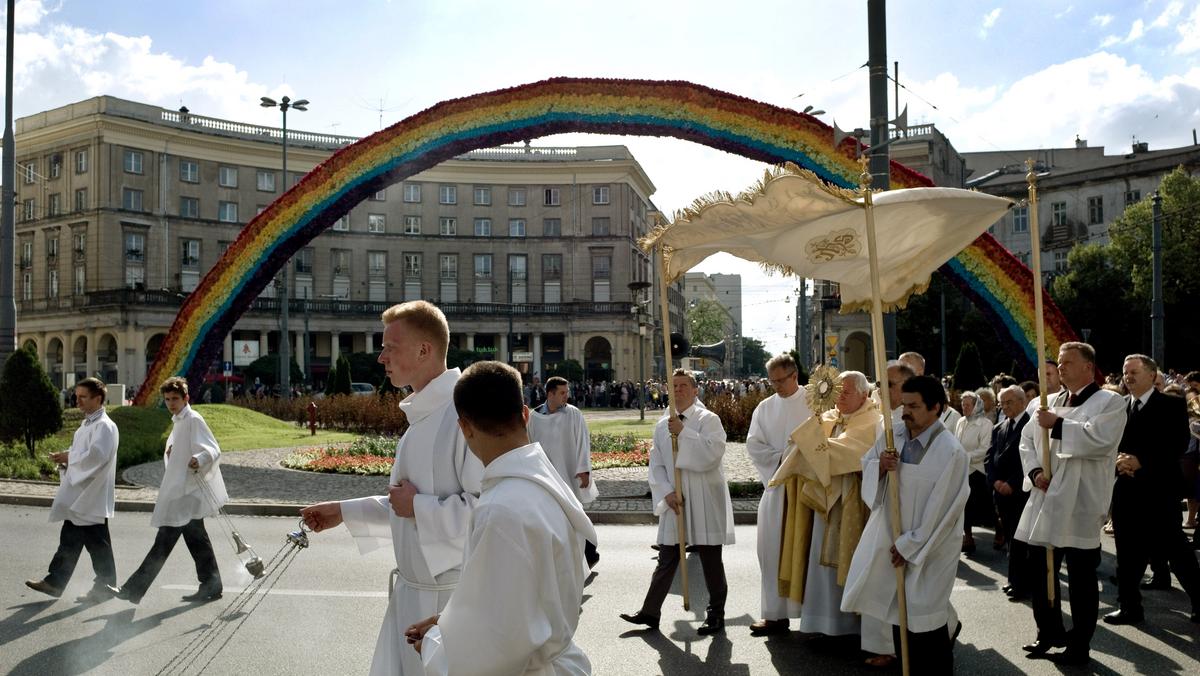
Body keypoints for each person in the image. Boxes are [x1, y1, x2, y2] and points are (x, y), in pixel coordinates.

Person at [300, 301, 483, 676]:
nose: (381, 357)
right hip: (412, 593)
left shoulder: (464, 413)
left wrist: (419, 507)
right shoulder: (422, 414)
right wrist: (343, 510)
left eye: (390, 347)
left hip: (446, 601)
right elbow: (405, 506)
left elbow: (490, 511)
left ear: (424, 350)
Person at [405, 362, 595, 675]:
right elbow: (524, 597)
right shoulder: (547, 483)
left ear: (464, 427)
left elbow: (498, 646)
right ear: (525, 414)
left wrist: (434, 643)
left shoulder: (499, 509)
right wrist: (447, 621)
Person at [841, 375, 970, 676]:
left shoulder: (950, 452)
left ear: (936, 407)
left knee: (926, 622)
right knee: (900, 617)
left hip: (930, 549)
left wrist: (911, 545)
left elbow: (944, 510)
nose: (905, 411)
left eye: (913, 406)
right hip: (893, 540)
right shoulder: (893, 435)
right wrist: (881, 469)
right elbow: (868, 467)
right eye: (904, 405)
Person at [1016, 342, 1127, 666]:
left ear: (1087, 367)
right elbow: (1026, 440)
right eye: (1059, 362)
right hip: (1045, 497)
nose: (1060, 367)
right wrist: (1035, 470)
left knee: (1080, 579)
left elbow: (1102, 440)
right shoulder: (1047, 402)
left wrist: (1060, 425)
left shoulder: (1110, 401)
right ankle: (1047, 632)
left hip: (1080, 500)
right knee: (1040, 571)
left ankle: (1080, 643)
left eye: (1067, 362)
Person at [771, 371, 884, 653]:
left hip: (849, 506)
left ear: (863, 394)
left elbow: (850, 453)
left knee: (842, 564)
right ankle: (822, 624)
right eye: (837, 392)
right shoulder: (830, 416)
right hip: (820, 505)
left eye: (846, 392)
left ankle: (845, 629)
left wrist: (809, 442)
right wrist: (807, 438)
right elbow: (807, 446)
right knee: (817, 563)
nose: (840, 397)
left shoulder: (872, 420)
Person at [620, 369, 734, 635]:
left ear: (695, 391)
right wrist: (666, 492)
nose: (679, 390)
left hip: (704, 496)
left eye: (684, 385)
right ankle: (650, 612)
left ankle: (716, 614)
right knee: (667, 556)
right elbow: (656, 462)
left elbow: (712, 453)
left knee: (710, 558)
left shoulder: (709, 420)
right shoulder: (662, 425)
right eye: (674, 386)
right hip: (675, 498)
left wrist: (684, 432)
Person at [107, 377, 225, 604]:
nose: (171, 403)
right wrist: (173, 454)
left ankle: (133, 590)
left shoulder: (192, 419)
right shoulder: (180, 420)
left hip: (185, 495)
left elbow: (213, 449)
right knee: (197, 540)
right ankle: (212, 584)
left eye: (175, 399)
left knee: (163, 544)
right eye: (168, 399)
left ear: (186, 398)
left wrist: (198, 458)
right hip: (183, 492)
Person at [1105, 354, 1200, 625]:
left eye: (1134, 371)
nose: (1128, 376)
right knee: (1126, 551)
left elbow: (1177, 443)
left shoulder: (1170, 404)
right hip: (1126, 487)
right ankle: (1129, 607)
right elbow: (1109, 442)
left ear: (1151, 374)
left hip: (1159, 489)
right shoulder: (1119, 406)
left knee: (1176, 549)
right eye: (1125, 372)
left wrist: (1142, 461)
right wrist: (1119, 460)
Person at [25, 378, 120, 603]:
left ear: (98, 398)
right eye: (76, 396)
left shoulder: (104, 426)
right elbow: (84, 454)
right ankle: (57, 583)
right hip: (83, 494)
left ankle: (99, 585)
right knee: (73, 539)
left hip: (92, 495)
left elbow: (97, 457)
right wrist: (66, 459)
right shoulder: (87, 424)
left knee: (96, 544)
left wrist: (71, 458)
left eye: (83, 397)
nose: (77, 401)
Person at [744, 354, 812, 635]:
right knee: (770, 550)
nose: (776, 387)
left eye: (780, 381)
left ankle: (816, 617)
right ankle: (774, 615)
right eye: (772, 382)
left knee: (809, 551)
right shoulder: (765, 408)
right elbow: (754, 445)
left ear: (794, 375)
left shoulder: (814, 401)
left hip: (810, 487)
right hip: (777, 487)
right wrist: (783, 457)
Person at [527, 375, 599, 568]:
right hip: (547, 475)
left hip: (569, 471)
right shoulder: (534, 417)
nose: (566, 396)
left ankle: (590, 553)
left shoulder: (573, 414)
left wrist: (584, 469)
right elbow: (530, 444)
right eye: (562, 393)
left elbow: (583, 441)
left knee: (575, 514)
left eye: (567, 392)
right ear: (550, 394)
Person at [985, 385, 1031, 598]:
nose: (1005, 407)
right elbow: (989, 457)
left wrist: (1011, 483)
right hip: (1001, 492)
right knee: (1011, 538)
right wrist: (994, 481)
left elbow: (1030, 459)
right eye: (1002, 403)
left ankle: (1022, 584)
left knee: (1021, 541)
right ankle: (1014, 579)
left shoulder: (1030, 425)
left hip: (1020, 491)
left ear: (1022, 401)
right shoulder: (999, 427)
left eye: (1009, 402)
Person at [955, 389, 994, 554]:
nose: (965, 408)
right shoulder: (960, 422)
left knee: (986, 505)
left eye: (968, 405)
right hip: (962, 470)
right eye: (963, 405)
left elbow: (985, 449)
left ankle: (999, 528)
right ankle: (968, 537)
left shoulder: (986, 424)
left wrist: (966, 456)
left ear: (976, 405)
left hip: (978, 470)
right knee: (964, 505)